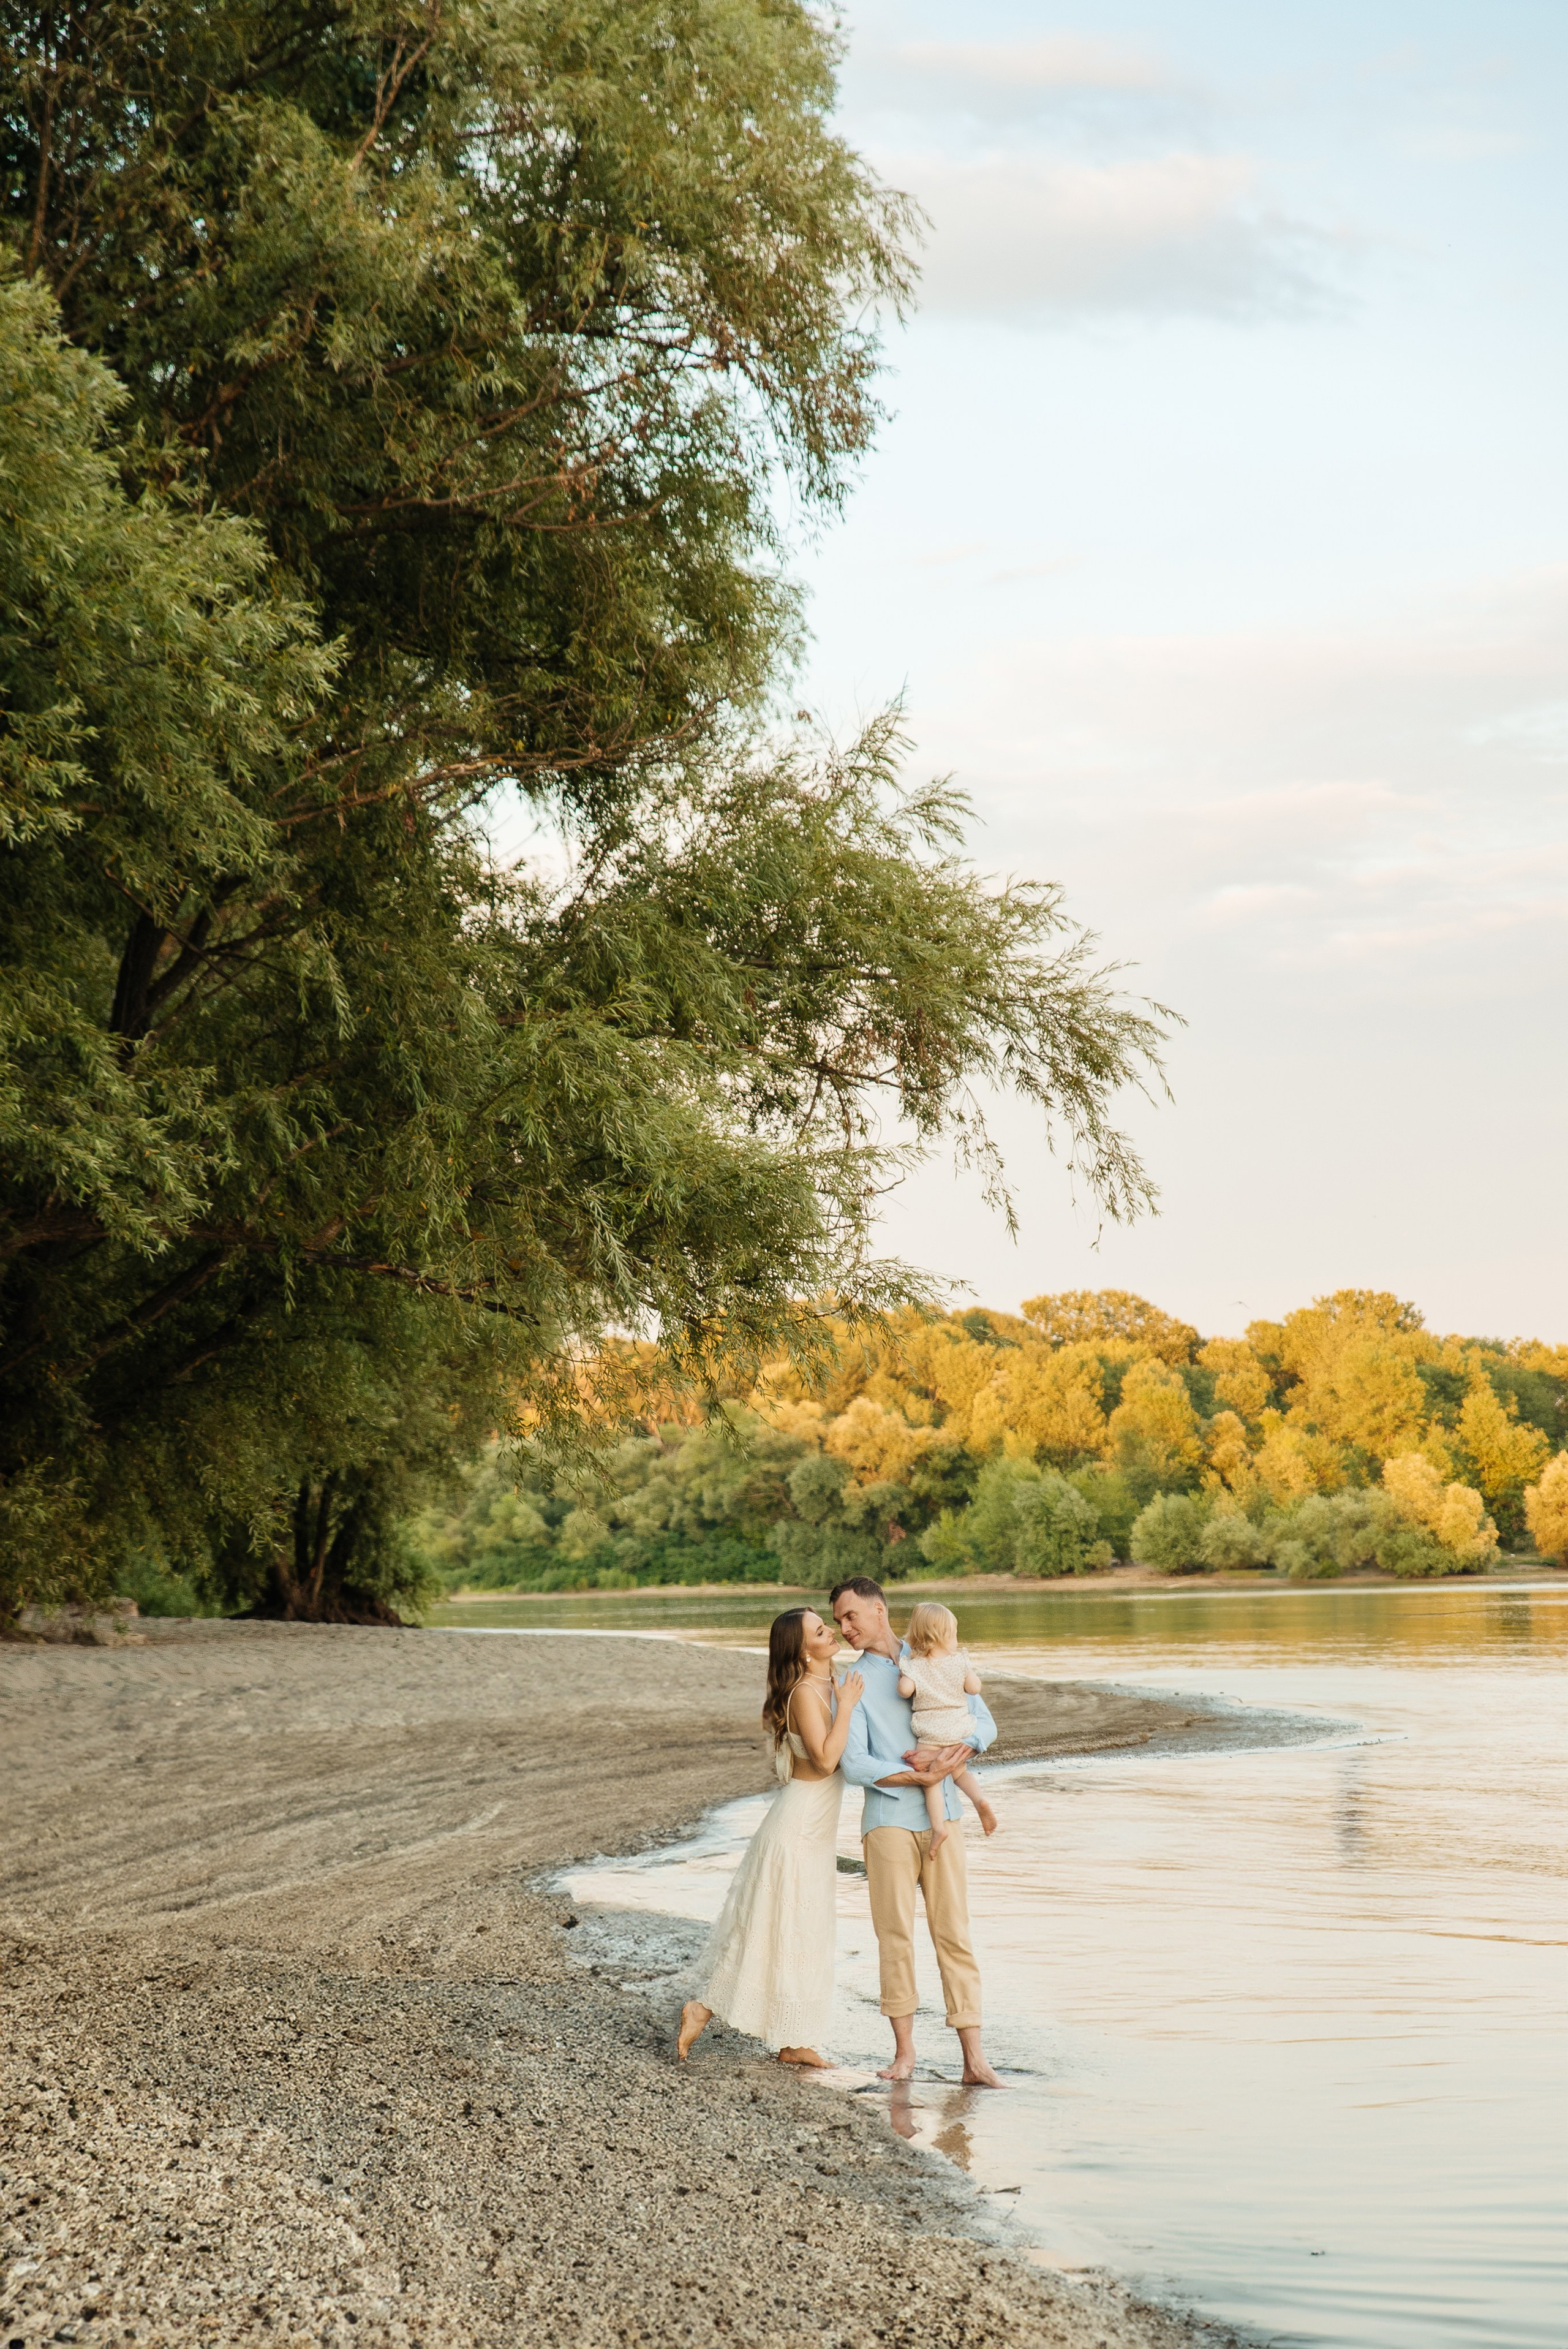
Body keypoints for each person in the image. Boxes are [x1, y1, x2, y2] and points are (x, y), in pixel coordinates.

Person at [831, 1575, 1003, 2089]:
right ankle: (904, 2055)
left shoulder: (936, 1649)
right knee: (895, 1938)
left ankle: (975, 2061)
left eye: (850, 1616)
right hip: (886, 1824)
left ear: (878, 1610)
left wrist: (960, 1750)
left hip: (944, 1817)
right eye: (838, 1621)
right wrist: (914, 1776)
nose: (844, 1628)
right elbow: (854, 1763)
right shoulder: (854, 1682)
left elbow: (985, 1723)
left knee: (954, 1935)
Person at [677, 1608, 864, 2069]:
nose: (832, 1632)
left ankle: (793, 2040)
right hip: (796, 1830)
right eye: (821, 1631)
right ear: (803, 1651)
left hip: (814, 1832)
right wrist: (850, 1708)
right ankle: (701, 2008)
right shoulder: (804, 1692)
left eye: (828, 1626)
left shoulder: (829, 1684)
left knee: (801, 1934)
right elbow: (823, 1762)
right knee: (771, 1931)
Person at [898, 1602, 999, 1853]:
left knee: (931, 1778)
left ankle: (938, 1827)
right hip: (959, 1728)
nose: (956, 1640)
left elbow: (904, 1691)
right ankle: (980, 1801)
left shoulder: (915, 1665)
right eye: (954, 1634)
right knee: (959, 1772)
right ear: (943, 1636)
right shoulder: (960, 1662)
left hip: (930, 1732)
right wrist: (968, 1674)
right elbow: (974, 1689)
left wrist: (904, 1677)